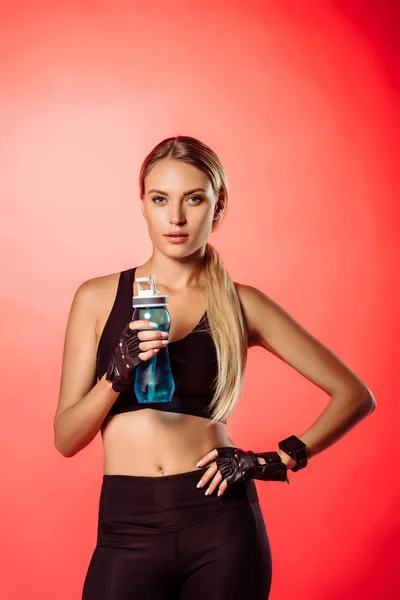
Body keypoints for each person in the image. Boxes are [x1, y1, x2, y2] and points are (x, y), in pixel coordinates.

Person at [53, 135, 376, 600]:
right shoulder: (97, 298)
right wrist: (114, 376)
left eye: (194, 199)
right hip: (126, 526)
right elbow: (66, 439)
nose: (176, 217)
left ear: (217, 205)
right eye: (161, 199)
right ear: (142, 203)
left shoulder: (241, 304)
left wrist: (270, 461)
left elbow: (355, 395)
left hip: (220, 524)